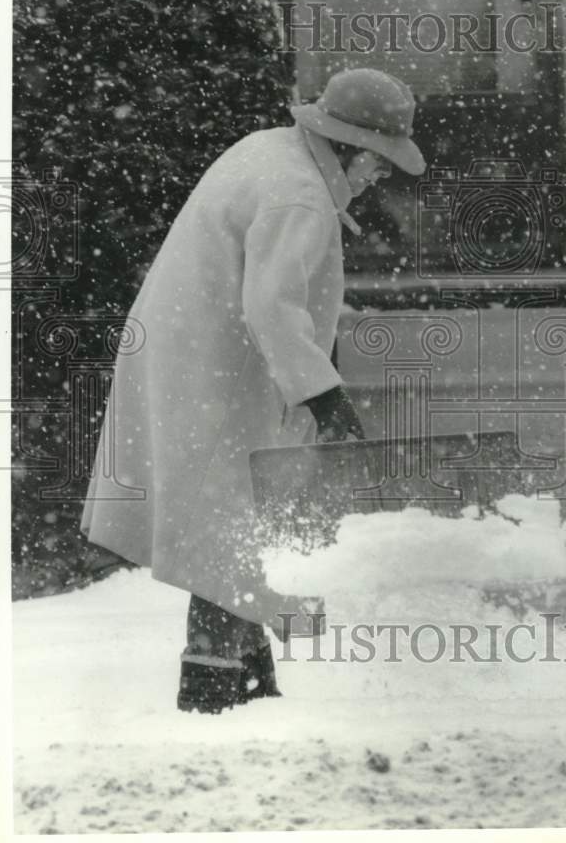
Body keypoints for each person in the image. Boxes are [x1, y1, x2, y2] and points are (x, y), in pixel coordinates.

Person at [81, 67, 426, 714]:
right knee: (218, 532)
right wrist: (326, 402)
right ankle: (215, 698)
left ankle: (251, 689)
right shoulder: (298, 193)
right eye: (378, 163)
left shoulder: (268, 149)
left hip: (192, 359)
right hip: (211, 372)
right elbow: (272, 307)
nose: (377, 178)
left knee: (224, 530)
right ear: (350, 147)